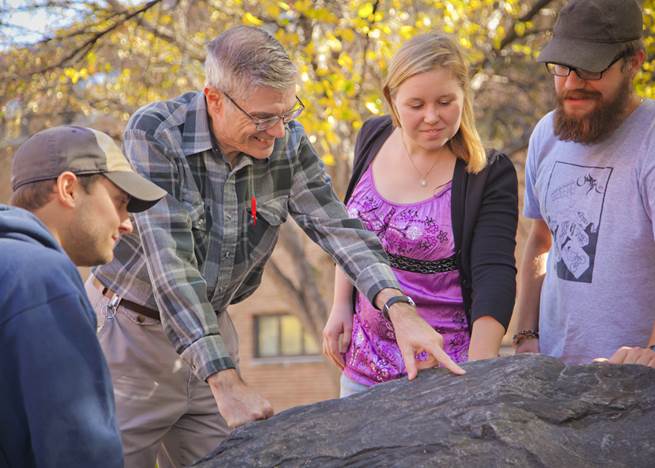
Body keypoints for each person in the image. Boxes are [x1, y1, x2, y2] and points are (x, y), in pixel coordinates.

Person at [86, 25, 466, 468]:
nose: (277, 131)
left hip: (213, 332)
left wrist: (399, 309)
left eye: (286, 114)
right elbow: (171, 266)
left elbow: (340, 228)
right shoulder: (156, 132)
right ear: (214, 99)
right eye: (263, 118)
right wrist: (225, 381)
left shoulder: (286, 141)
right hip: (130, 337)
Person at [322, 33, 518, 396]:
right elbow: (351, 230)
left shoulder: (487, 173)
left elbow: (494, 274)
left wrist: (478, 373)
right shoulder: (373, 135)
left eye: (445, 102)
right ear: (392, 101)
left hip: (442, 374)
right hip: (361, 369)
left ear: (464, 98)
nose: (432, 117)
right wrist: (339, 306)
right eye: (416, 105)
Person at [0, 125, 166, 467]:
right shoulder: (41, 278)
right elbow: (78, 443)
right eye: (120, 203)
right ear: (68, 189)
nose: (127, 224)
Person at [515, 0, 655, 367]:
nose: (572, 84)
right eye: (562, 66)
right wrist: (526, 335)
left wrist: (652, 351)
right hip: (552, 376)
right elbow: (541, 240)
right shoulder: (545, 134)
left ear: (634, 62)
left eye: (590, 67)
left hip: (629, 383)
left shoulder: (651, 140)